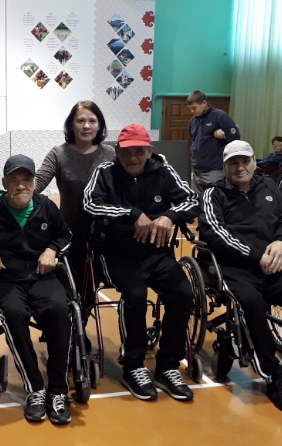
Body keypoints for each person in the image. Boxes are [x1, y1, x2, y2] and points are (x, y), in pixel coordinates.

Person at [199, 140, 282, 413]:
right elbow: (215, 235)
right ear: (225, 167)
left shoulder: (268, 187)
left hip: (273, 265)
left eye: (245, 161)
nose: (240, 167)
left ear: (254, 163)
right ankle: (273, 374)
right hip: (234, 269)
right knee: (252, 304)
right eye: (233, 163)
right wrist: (257, 256)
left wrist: (280, 243)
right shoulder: (213, 194)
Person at [83, 124, 199, 402]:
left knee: (183, 293)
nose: (133, 157)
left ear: (149, 151)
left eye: (139, 151)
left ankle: (168, 365)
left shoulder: (164, 171)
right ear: (117, 151)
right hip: (116, 253)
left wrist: (170, 216)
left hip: (157, 253)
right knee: (135, 294)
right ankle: (133, 366)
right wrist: (131, 214)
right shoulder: (104, 172)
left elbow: (193, 201)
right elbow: (90, 204)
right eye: (127, 152)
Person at [0, 154, 74, 425]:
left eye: (27, 179)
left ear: (35, 183)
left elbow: (65, 236)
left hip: (41, 277)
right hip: (5, 279)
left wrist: (51, 250)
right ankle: (36, 388)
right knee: (13, 312)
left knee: (60, 309)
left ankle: (58, 390)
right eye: (14, 180)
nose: (21, 185)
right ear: (4, 183)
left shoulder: (46, 206)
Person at [35, 101, 115, 285]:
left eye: (92, 121)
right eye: (80, 121)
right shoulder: (58, 154)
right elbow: (38, 183)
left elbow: (130, 175)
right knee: (72, 287)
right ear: (71, 125)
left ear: (99, 125)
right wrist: (17, 187)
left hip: (103, 231)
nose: (87, 126)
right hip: (70, 231)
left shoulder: (109, 153)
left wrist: (156, 161)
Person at [187, 90, 241, 193]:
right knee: (197, 200)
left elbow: (235, 138)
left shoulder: (219, 116)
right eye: (190, 108)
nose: (192, 111)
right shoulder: (193, 121)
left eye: (194, 108)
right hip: (196, 169)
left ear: (204, 103)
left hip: (215, 169)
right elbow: (194, 140)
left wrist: (224, 138)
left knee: (215, 198)